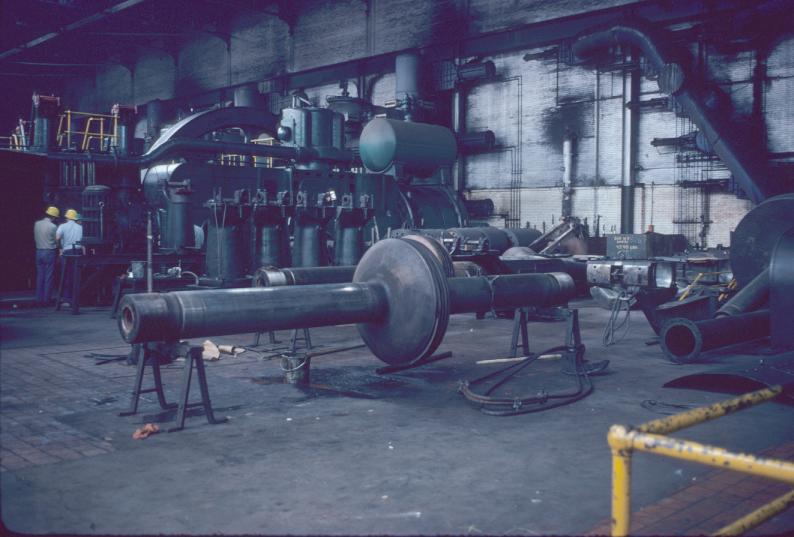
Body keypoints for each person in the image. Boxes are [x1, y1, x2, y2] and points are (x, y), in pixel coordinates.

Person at [56, 209, 84, 304]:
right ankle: (78, 298)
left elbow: (57, 238)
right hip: (78, 251)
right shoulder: (80, 227)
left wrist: (60, 250)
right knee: (77, 275)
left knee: (67, 275)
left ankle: (68, 299)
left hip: (67, 252)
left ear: (67, 217)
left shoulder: (62, 226)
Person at [34, 206, 59, 305]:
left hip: (39, 251)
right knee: (49, 276)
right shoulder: (53, 226)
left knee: (40, 275)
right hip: (49, 252)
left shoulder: (37, 224)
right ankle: (46, 299)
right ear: (53, 217)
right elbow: (56, 240)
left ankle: (39, 298)